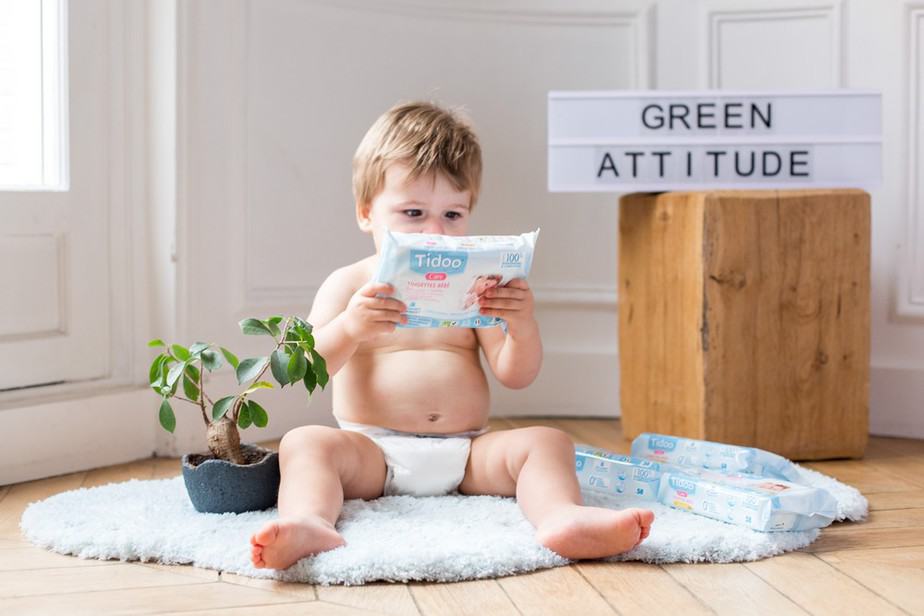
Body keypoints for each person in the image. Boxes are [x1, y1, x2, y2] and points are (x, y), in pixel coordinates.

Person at [250, 101, 654, 570]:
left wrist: (520, 323)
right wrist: (351, 327)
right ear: (366, 213)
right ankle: (309, 521)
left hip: (466, 453)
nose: (436, 232)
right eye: (414, 212)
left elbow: (515, 374)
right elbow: (308, 366)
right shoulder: (349, 284)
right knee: (304, 443)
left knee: (548, 442)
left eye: (453, 216)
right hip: (372, 452)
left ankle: (561, 517)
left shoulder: (477, 285)